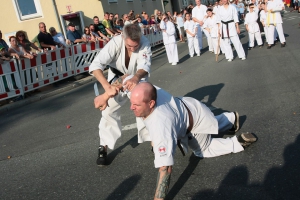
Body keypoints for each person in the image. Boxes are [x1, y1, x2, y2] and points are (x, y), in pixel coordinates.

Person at [94, 80, 257, 200]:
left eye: (136, 105)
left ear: (151, 103)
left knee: (203, 150)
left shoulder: (161, 125)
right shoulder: (142, 89)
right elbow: (125, 81)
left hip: (195, 121)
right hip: (189, 106)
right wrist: (105, 95)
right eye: (132, 103)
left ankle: (236, 143)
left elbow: (165, 169)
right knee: (211, 123)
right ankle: (229, 119)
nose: (131, 107)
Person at [88, 24, 152, 166]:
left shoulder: (144, 42)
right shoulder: (115, 42)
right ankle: (103, 147)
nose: (133, 48)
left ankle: (154, 141)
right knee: (108, 111)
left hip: (137, 80)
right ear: (123, 37)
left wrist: (135, 77)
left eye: (136, 46)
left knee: (144, 107)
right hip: (116, 81)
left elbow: (145, 66)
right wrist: (107, 87)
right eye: (130, 45)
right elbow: (96, 65)